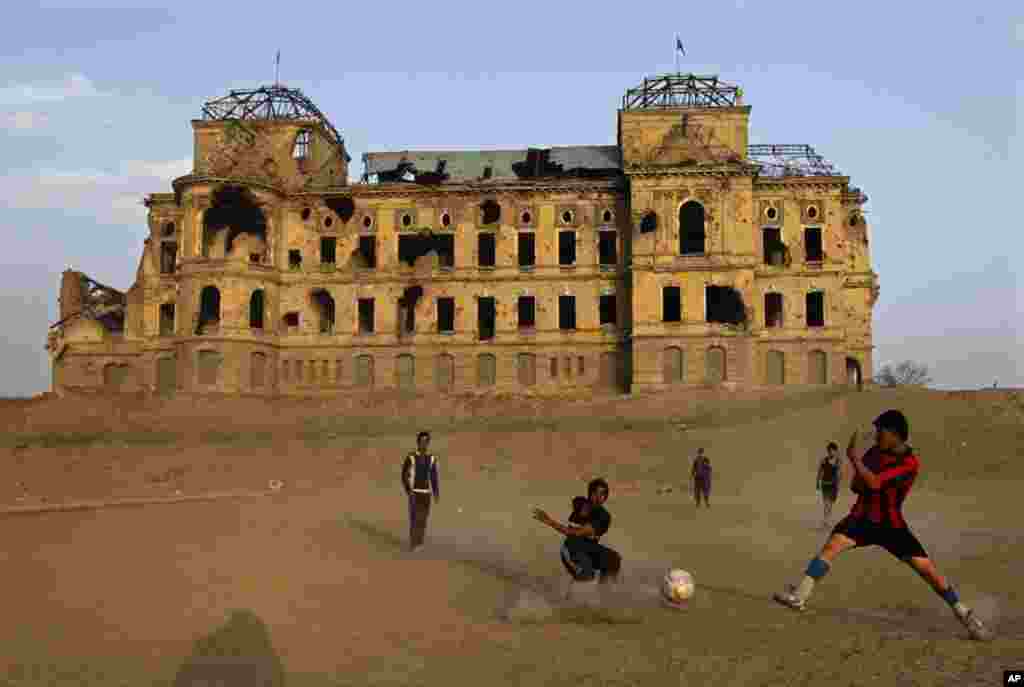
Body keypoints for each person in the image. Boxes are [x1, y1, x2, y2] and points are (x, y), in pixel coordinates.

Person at [773, 410, 993, 641]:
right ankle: (799, 596)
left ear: (895, 435)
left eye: (881, 431)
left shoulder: (909, 463)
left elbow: (875, 483)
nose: (876, 435)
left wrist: (854, 459)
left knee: (929, 572)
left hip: (891, 526)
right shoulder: (874, 452)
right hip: (862, 518)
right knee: (831, 547)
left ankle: (966, 617)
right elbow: (858, 486)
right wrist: (860, 472)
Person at [533, 478, 621, 585]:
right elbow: (573, 530)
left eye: (602, 494)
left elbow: (576, 532)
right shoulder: (580, 503)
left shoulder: (603, 517)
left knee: (614, 559)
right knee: (587, 573)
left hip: (589, 549)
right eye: (595, 493)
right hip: (572, 549)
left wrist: (549, 521)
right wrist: (549, 521)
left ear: (605, 497)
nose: (598, 497)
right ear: (590, 494)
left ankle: (605, 591)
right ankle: (572, 594)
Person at [401, 431, 440, 552]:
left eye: (426, 442)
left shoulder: (432, 458)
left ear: (428, 443)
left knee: (423, 519)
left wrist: (436, 493)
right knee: (414, 518)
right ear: (418, 442)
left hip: (426, 493)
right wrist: (409, 490)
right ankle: (414, 543)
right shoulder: (411, 457)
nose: (423, 444)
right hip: (414, 493)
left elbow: (433, 476)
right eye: (421, 441)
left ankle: (419, 542)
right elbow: (404, 475)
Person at [816, 442, 842, 527]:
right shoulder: (824, 460)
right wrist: (817, 482)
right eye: (829, 451)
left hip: (833, 485)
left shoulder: (838, 461)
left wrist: (838, 485)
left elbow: (839, 474)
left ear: (836, 451)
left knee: (830, 504)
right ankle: (825, 521)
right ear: (828, 451)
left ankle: (827, 520)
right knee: (826, 503)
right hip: (825, 484)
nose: (831, 452)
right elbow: (820, 472)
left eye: (833, 451)